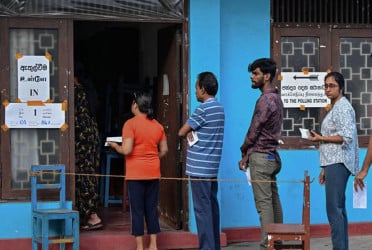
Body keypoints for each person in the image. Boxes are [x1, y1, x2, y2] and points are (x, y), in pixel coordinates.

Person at [108, 91, 168, 250]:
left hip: (135, 174)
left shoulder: (130, 124)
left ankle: (140, 247)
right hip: (153, 173)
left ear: (136, 105)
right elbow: (164, 150)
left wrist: (115, 146)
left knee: (137, 211)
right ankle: (153, 245)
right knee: (151, 209)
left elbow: (127, 150)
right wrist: (152, 158)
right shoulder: (158, 126)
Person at [308, 71, 359, 250]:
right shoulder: (335, 107)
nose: (328, 89)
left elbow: (347, 137)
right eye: (326, 86)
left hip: (339, 162)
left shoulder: (343, 107)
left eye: (332, 86)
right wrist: (324, 168)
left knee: (334, 209)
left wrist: (321, 139)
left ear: (341, 88)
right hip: (332, 163)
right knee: (338, 209)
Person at [238, 58, 283, 250]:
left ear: (266, 76)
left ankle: (268, 244)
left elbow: (254, 131)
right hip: (271, 156)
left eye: (255, 73)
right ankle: (278, 239)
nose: (252, 77)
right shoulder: (277, 97)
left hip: (262, 158)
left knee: (263, 203)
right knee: (273, 201)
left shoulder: (265, 100)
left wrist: (243, 149)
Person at [178, 72, 225, 250]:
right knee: (211, 207)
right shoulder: (219, 108)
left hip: (199, 168)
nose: (196, 91)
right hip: (212, 167)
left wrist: (190, 131)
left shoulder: (202, 109)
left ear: (203, 89)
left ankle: (206, 247)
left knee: (201, 210)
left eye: (197, 88)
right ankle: (214, 246)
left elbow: (182, 132)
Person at [74, 63, 103, 230]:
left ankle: (92, 216)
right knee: (90, 174)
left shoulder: (77, 92)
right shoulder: (90, 92)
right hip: (91, 137)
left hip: (81, 139)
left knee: (82, 176)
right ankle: (90, 214)